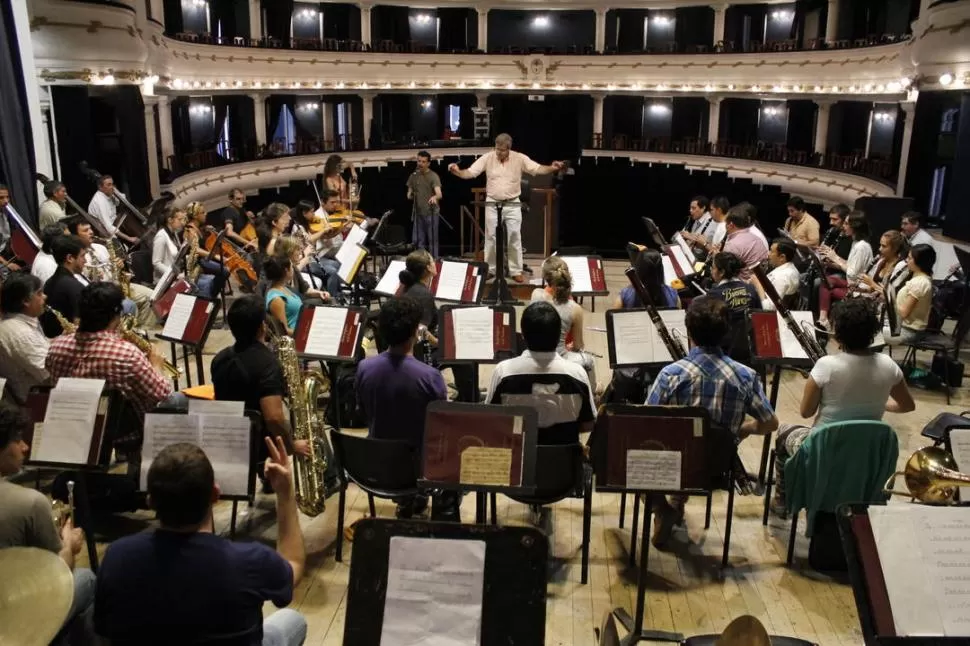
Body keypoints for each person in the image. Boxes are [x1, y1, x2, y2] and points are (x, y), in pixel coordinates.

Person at [94, 440, 308, 646]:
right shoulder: (252, 561)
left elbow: (104, 628)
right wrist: (285, 492)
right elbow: (293, 565)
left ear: (150, 502)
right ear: (215, 495)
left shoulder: (117, 556)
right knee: (291, 620)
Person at [646, 297, 778, 548]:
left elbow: (644, 423)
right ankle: (676, 504)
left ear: (689, 331)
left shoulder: (671, 374)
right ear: (726, 331)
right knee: (700, 448)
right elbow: (771, 423)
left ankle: (663, 508)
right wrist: (745, 428)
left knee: (633, 455)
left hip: (672, 466)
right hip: (717, 468)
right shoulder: (746, 376)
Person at [769, 298, 915, 515]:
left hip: (824, 450)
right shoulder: (889, 366)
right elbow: (907, 405)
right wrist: (879, 404)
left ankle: (783, 500)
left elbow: (806, 412)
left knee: (783, 432)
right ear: (873, 332)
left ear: (837, 334)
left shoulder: (826, 366)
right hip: (867, 452)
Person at [0, 403, 96, 645]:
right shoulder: (29, 502)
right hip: (11, 614)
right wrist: (69, 544)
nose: (25, 447)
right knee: (86, 578)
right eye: (17, 440)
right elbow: (57, 573)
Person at [356, 298, 449, 518]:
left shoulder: (364, 367)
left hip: (377, 463)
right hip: (417, 468)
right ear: (415, 332)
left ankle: (408, 502)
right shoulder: (429, 376)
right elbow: (442, 427)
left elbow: (364, 411)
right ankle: (433, 506)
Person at [46, 282, 181, 416]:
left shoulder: (56, 347)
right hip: (126, 434)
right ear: (116, 313)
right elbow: (163, 395)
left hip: (71, 424)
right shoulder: (127, 354)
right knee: (182, 400)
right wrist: (155, 365)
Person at [211, 296, 310, 474]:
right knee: (305, 432)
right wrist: (292, 446)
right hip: (260, 445)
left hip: (228, 437)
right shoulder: (268, 363)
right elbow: (274, 419)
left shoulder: (219, 358)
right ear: (262, 327)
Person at [448, 133, 564, 282]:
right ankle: (491, 268)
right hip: (492, 202)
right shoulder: (488, 157)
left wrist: (552, 168)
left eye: (502, 150)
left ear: (509, 148)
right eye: (497, 149)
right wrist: (457, 172)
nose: (499, 152)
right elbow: (470, 173)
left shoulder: (519, 158)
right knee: (490, 237)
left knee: (514, 236)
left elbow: (538, 169)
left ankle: (515, 270)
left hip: (513, 202)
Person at [485, 301, 596, 446]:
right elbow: (588, 424)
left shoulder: (503, 372)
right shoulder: (577, 374)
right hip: (564, 465)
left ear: (523, 336)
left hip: (517, 463)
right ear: (559, 336)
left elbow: (490, 419)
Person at [396, 249, 475, 402]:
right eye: (432, 261)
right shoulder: (423, 295)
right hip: (418, 352)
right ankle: (468, 398)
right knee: (462, 354)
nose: (435, 263)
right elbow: (420, 329)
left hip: (406, 347)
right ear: (428, 268)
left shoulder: (408, 287)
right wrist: (438, 342)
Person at [67, 217, 153, 327]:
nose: (91, 232)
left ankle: (144, 330)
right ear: (75, 236)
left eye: (90, 229)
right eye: (85, 230)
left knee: (151, 296)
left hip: (117, 284)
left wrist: (119, 266)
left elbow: (114, 272)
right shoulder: (78, 257)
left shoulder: (100, 247)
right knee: (131, 305)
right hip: (103, 293)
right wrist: (95, 275)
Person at [530, 257, 596, 387]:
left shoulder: (536, 294)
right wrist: (570, 347)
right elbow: (578, 346)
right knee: (590, 361)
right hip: (559, 356)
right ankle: (592, 394)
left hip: (534, 351)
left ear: (546, 277)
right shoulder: (575, 309)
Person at [0, 274, 51, 404]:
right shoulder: (20, 334)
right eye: (39, 294)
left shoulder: (22, 321)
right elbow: (49, 374)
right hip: (37, 402)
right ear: (26, 301)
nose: (45, 297)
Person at [818, 212, 873, 328]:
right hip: (851, 283)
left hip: (859, 289)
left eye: (847, 224)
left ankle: (824, 320)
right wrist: (831, 259)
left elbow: (853, 274)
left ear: (855, 226)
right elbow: (850, 265)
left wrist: (835, 257)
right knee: (826, 280)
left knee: (829, 289)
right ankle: (823, 319)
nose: (844, 226)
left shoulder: (862, 247)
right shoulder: (856, 243)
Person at [707, 252, 760, 362]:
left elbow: (710, 328)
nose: (711, 271)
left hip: (724, 354)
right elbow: (759, 317)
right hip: (752, 350)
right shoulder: (750, 289)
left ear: (721, 272)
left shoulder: (713, 294)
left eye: (713, 268)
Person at [887, 243, 936, 345]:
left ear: (919, 262)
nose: (906, 261)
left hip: (908, 331)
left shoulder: (920, 283)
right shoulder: (917, 278)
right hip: (900, 326)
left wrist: (890, 300)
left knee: (869, 332)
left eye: (909, 258)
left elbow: (904, 313)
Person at [40, 234, 88, 337]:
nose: (85, 261)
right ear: (70, 258)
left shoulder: (49, 281)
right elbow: (79, 328)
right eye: (82, 256)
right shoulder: (75, 286)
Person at [184, 201, 230, 299]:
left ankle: (212, 293)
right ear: (196, 216)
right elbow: (196, 249)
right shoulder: (190, 230)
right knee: (224, 271)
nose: (206, 214)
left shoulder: (196, 227)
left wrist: (205, 228)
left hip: (203, 259)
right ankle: (210, 294)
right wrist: (215, 256)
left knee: (224, 269)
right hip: (198, 262)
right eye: (203, 212)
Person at [613, 249, 680, 310]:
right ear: (661, 270)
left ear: (638, 270)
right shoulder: (674, 295)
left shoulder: (625, 295)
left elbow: (614, 320)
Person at [273, 237, 330, 306]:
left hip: (298, 304)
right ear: (289, 252)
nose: (300, 253)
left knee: (330, 301)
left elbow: (306, 289)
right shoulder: (278, 274)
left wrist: (320, 293)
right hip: (291, 309)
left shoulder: (293, 267)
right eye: (297, 250)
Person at [407, 150, 444, 257]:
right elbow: (409, 193)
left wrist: (434, 197)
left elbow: (439, 194)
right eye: (419, 161)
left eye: (423, 162)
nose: (420, 164)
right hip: (418, 213)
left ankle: (435, 261)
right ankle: (421, 263)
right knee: (419, 241)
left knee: (433, 240)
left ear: (428, 163)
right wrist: (410, 194)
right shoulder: (413, 176)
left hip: (431, 213)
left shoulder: (433, 176)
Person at [854, 230, 911, 298]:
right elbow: (872, 290)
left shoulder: (901, 267)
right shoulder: (881, 262)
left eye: (884, 246)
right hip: (874, 301)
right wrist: (857, 289)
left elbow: (892, 296)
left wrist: (871, 283)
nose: (880, 249)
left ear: (895, 249)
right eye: (880, 245)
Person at [86, 175, 139, 245]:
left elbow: (121, 201)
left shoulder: (108, 194)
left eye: (112, 184)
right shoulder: (100, 201)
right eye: (109, 185)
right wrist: (129, 238)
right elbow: (108, 227)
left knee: (130, 214)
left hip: (115, 224)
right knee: (128, 220)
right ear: (100, 187)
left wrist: (116, 192)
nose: (112, 187)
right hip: (106, 231)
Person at [722, 203, 768, 280]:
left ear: (731, 225)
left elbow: (725, 273)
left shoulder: (732, 245)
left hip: (740, 287)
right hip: (758, 284)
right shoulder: (757, 239)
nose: (725, 226)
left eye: (726, 223)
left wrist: (716, 256)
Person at [752, 238, 800, 310]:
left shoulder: (782, 277)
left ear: (782, 257)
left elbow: (769, 309)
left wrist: (758, 284)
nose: (768, 254)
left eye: (771, 251)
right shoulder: (790, 269)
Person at [264, 257, 302, 336]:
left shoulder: (284, 288)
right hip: (296, 339)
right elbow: (284, 332)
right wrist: (308, 333)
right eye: (291, 267)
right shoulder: (276, 299)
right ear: (286, 270)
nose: (293, 269)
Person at [151, 205, 186, 282]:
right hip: (165, 281)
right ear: (170, 220)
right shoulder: (161, 236)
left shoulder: (174, 233)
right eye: (179, 219)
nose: (182, 223)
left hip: (175, 276)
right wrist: (175, 274)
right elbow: (156, 263)